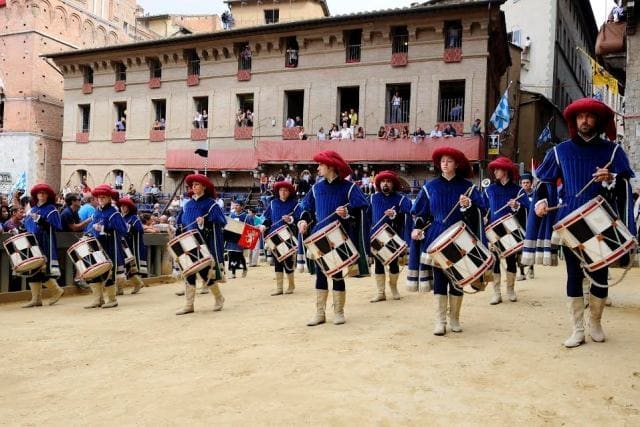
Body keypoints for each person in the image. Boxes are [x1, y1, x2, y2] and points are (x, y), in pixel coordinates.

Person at [525, 98, 636, 348]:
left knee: (600, 273)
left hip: (603, 222)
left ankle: (595, 322)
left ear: (597, 120)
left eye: (589, 116)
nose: (584, 120)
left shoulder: (613, 152)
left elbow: (627, 185)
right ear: (574, 121)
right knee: (573, 275)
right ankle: (577, 329)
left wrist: (612, 177)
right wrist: (541, 202)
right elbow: (544, 183)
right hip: (569, 222)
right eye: (580, 116)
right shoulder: (559, 151)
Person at [411, 147, 487, 335]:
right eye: (442, 161)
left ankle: (454, 318)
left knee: (458, 278)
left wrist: (468, 205)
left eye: (449, 161)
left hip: (460, 237)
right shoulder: (430, 188)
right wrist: (417, 227)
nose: (445, 164)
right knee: (439, 278)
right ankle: (440, 321)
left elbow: (482, 211)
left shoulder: (468, 187)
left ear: (457, 164)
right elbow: (422, 213)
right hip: (436, 236)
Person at [298, 150, 370, 326]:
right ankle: (319, 313)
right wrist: (303, 221)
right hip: (319, 236)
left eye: (321, 165)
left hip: (339, 237)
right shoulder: (315, 188)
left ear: (330, 167)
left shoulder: (349, 188)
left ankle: (338, 312)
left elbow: (363, 208)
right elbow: (306, 209)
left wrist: (347, 212)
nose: (318, 168)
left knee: (337, 275)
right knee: (321, 275)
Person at [175, 174, 227, 315]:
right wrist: (177, 229)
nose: (194, 187)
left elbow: (220, 222)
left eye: (197, 184)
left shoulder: (211, 204)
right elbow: (180, 222)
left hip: (203, 244)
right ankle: (189, 305)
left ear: (204, 187)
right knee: (189, 273)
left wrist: (204, 223)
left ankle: (219, 298)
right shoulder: (187, 205)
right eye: (192, 185)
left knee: (205, 274)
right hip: (187, 243)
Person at [483, 157, 523, 305]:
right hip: (493, 229)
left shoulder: (517, 190)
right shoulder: (490, 190)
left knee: (511, 260)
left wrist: (516, 206)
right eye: (494, 169)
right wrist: (484, 217)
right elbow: (484, 207)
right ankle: (496, 293)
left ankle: (510, 290)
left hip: (510, 230)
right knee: (495, 260)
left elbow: (527, 209)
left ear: (505, 171)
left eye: (497, 169)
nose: (495, 171)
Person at [368, 170, 412, 303]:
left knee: (393, 263)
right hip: (376, 236)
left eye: (388, 181)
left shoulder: (402, 199)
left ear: (393, 184)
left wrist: (395, 215)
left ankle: (394, 288)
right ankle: (381, 292)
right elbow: (366, 217)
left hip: (394, 236)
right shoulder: (371, 198)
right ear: (378, 183)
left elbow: (409, 215)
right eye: (382, 181)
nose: (385, 184)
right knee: (379, 264)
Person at [84, 184, 128, 309]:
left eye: (103, 197)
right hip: (98, 245)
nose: (101, 199)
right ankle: (98, 299)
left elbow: (123, 229)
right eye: (99, 197)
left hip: (110, 245)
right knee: (96, 270)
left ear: (109, 198)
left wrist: (105, 228)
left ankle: (112, 299)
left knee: (109, 271)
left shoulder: (114, 213)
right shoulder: (97, 211)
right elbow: (91, 226)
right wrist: (87, 234)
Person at [21, 184, 65, 307]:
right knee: (31, 269)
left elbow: (55, 227)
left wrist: (40, 220)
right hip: (31, 243)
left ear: (48, 195)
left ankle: (56, 290)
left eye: (44, 193)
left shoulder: (52, 209)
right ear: (36, 195)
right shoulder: (32, 210)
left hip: (44, 241)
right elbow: (26, 226)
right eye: (39, 193)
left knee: (41, 269)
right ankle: (36, 299)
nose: (41, 194)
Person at [261, 181, 300, 296]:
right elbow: (268, 219)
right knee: (277, 261)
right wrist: (263, 225)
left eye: (286, 190)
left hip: (288, 236)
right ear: (278, 192)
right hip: (274, 236)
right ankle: (279, 288)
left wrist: (291, 219)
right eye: (281, 190)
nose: (283, 192)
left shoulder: (295, 204)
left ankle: (291, 285)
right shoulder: (273, 203)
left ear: (289, 192)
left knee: (288, 260)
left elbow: (299, 219)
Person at [117, 197, 146, 295]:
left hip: (131, 245)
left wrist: (127, 227)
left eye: (125, 206)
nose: (123, 207)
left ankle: (135, 284)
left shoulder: (134, 218)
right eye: (121, 206)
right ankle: (122, 287)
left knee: (129, 266)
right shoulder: (120, 217)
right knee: (121, 266)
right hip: (122, 245)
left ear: (129, 208)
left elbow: (140, 230)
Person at [516, 172, 535, 281]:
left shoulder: (535, 194)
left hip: (531, 225)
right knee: (519, 249)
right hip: (521, 224)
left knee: (530, 247)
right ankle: (522, 272)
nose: (525, 185)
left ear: (531, 183)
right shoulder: (518, 195)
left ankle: (531, 267)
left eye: (527, 182)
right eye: (523, 183)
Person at [226, 203, 253, 279]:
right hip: (231, 237)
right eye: (235, 205)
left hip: (240, 238)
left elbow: (251, 228)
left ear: (242, 207)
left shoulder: (246, 216)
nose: (236, 207)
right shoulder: (231, 215)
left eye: (238, 205)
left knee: (239, 255)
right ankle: (233, 273)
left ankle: (244, 268)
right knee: (231, 255)